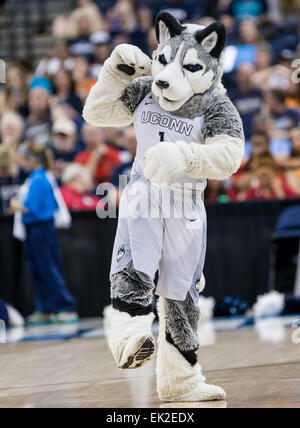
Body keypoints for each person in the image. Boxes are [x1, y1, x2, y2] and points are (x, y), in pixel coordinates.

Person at [9, 141, 77, 325]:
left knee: (48, 269)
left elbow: (33, 208)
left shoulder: (40, 178)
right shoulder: (34, 178)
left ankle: (65, 307)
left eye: (24, 159)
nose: (22, 163)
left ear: (32, 159)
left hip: (42, 229)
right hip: (33, 231)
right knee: (38, 270)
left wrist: (16, 205)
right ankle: (47, 308)